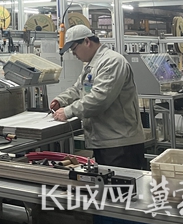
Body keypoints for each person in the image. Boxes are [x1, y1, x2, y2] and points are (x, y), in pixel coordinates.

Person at [51, 25, 145, 169]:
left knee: (120, 183)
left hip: (120, 143)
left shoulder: (112, 61)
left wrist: (68, 111)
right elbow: (78, 88)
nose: (73, 53)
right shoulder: (91, 65)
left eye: (74, 48)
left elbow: (99, 99)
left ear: (87, 41)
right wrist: (60, 100)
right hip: (104, 140)